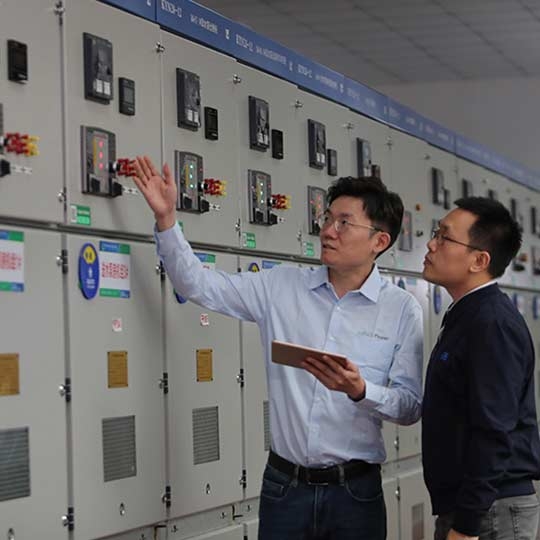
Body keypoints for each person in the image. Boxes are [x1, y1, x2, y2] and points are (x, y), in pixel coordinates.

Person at [132, 156, 423, 540]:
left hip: (355, 493)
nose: (328, 231)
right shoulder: (282, 287)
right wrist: (168, 220)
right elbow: (198, 286)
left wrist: (361, 391)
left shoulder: (401, 310)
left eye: (344, 223)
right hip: (285, 489)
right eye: (327, 219)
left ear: (379, 241)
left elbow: (410, 406)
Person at [422, 197, 540, 540]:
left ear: (479, 260)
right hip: (476, 507)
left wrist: (467, 525)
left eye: (444, 237)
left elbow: (493, 429)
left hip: (490, 513)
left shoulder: (491, 323)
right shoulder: (470, 314)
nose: (431, 244)